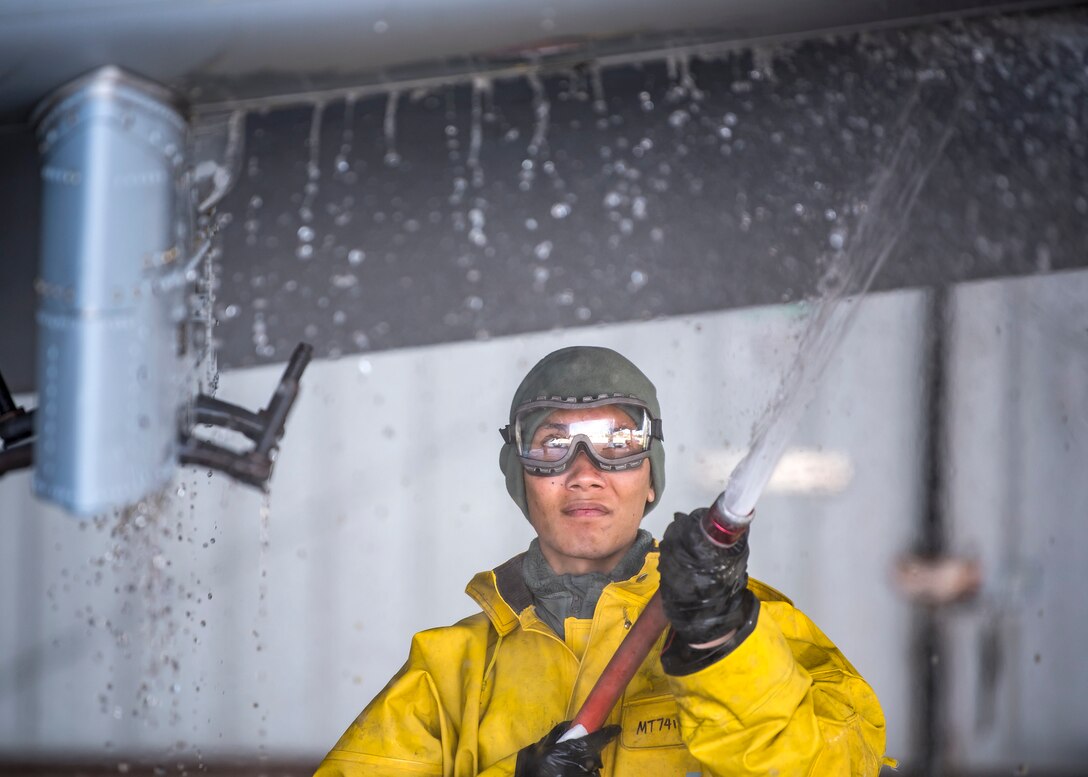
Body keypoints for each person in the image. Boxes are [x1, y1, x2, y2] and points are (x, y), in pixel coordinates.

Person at [314, 346, 891, 776]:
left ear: (650, 478)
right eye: (552, 445)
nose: (585, 472)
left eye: (618, 443)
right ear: (520, 479)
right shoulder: (448, 675)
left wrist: (723, 646)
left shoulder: (759, 629)